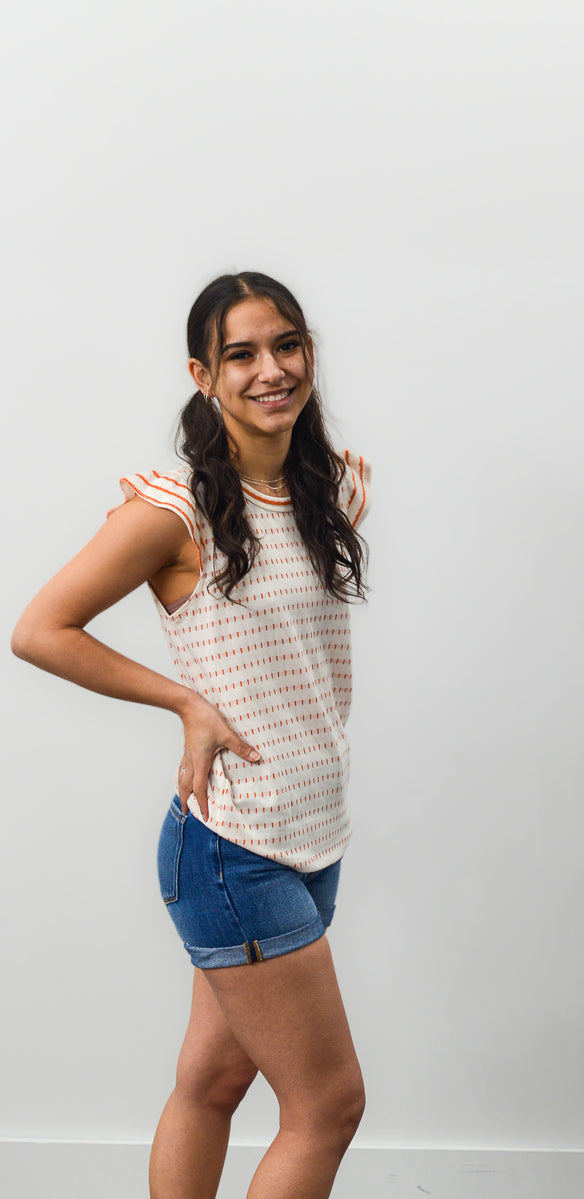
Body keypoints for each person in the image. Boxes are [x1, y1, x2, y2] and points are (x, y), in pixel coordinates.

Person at [11, 271, 371, 1199]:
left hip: (309, 834)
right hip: (234, 849)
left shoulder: (322, 491)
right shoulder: (174, 510)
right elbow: (39, 630)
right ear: (203, 376)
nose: (270, 369)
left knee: (211, 1082)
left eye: (285, 345)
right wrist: (185, 703)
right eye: (240, 354)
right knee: (329, 1106)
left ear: (310, 353)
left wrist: (335, 501)